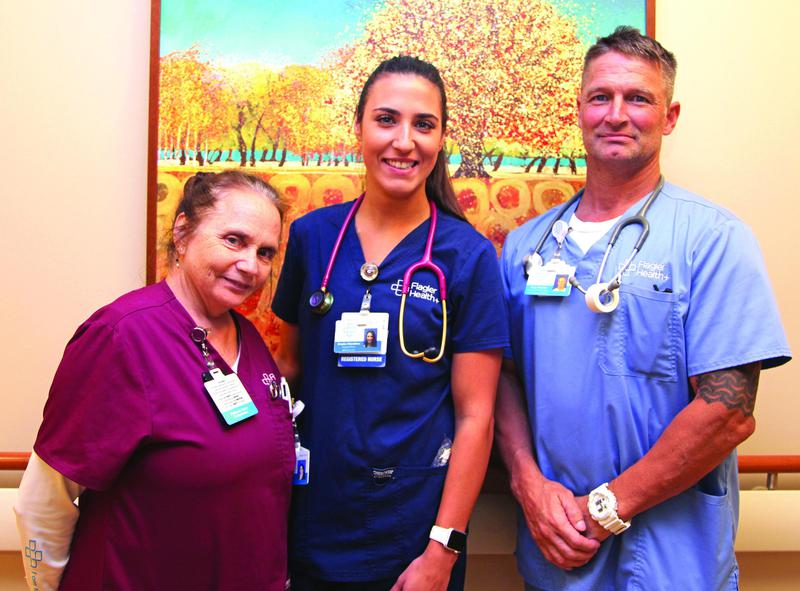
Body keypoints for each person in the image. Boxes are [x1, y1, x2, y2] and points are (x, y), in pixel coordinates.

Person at [496, 27, 791, 591]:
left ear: (669, 116)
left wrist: (604, 509)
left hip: (671, 564)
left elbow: (728, 411)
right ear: (579, 110)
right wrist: (527, 484)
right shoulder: (525, 248)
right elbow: (502, 379)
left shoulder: (713, 239)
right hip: (556, 556)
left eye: (638, 98)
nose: (616, 114)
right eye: (600, 97)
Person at [272, 55, 508, 591]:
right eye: (386, 119)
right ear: (358, 127)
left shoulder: (467, 257)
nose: (404, 141)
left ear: (441, 139)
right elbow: (289, 368)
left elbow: (477, 416)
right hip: (311, 517)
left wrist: (442, 551)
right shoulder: (312, 237)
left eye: (423, 124)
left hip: (415, 534)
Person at [15, 171, 295, 591]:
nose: (250, 265)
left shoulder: (249, 340)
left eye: (265, 252)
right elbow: (44, 501)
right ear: (182, 232)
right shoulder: (120, 336)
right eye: (234, 240)